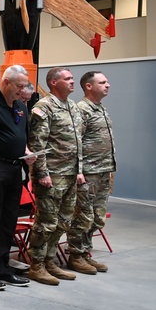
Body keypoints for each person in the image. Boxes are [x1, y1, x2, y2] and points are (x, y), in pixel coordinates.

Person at [0, 65, 35, 290]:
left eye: (24, 86)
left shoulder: (20, 106)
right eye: (19, 86)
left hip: (15, 169)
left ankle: (4, 268)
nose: (22, 90)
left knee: (10, 220)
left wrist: (28, 152)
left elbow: (23, 135)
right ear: (6, 82)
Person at [26, 67, 84, 285]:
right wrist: (41, 172)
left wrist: (79, 171)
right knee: (46, 222)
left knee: (63, 221)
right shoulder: (44, 107)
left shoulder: (72, 107)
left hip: (69, 175)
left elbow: (77, 142)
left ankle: (50, 261)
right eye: (67, 78)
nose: (72, 81)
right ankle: (37, 265)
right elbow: (37, 143)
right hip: (52, 175)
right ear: (53, 83)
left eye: (72, 78)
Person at [67, 71, 116, 274]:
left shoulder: (101, 108)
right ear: (89, 86)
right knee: (83, 217)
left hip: (103, 170)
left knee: (97, 217)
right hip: (88, 172)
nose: (108, 85)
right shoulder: (81, 110)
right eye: (102, 82)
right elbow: (76, 143)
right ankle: (75, 256)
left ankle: (86, 253)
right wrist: (79, 171)